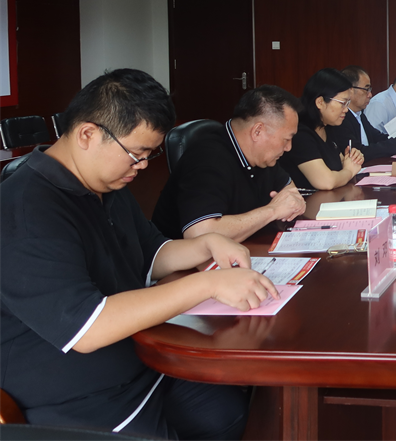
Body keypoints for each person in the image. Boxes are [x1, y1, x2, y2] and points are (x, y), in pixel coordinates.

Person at [0, 69, 277, 439]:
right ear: (87, 134)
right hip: (77, 398)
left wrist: (207, 245)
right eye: (136, 154)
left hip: (138, 365)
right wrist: (208, 284)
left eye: (149, 154)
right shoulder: (25, 209)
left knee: (231, 410)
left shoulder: (104, 184)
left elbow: (151, 253)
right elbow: (87, 328)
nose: (143, 166)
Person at [152, 85, 306, 242]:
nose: (289, 147)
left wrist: (294, 203)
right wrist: (272, 211)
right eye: (286, 139)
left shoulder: (263, 157)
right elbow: (199, 233)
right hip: (188, 257)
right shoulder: (207, 159)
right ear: (257, 131)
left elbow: (290, 192)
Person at [280, 68, 365, 191]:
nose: (346, 109)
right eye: (343, 103)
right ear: (320, 102)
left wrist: (352, 159)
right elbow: (326, 182)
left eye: (348, 103)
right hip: (308, 201)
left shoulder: (329, 128)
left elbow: (342, 165)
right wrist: (349, 171)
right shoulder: (300, 134)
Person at [327, 65, 396, 159]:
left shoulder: (359, 115)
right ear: (350, 91)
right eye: (366, 89)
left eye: (370, 89)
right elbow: (359, 152)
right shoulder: (341, 118)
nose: (370, 95)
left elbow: (377, 137)